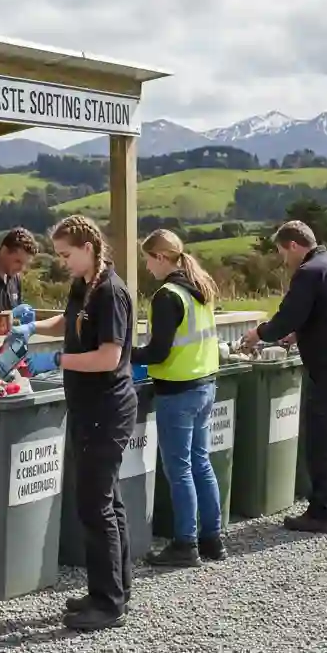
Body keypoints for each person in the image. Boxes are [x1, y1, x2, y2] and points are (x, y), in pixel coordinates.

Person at [14, 215, 137, 631]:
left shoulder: (111, 293)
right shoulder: (84, 286)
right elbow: (69, 322)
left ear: (89, 247)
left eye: (67, 255)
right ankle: (115, 588)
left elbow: (109, 357)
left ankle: (108, 603)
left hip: (107, 410)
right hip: (89, 409)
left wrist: (57, 360)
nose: (63, 262)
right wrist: (31, 327)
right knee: (108, 502)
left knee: (94, 505)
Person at [241, 221, 327, 533]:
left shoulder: (308, 272)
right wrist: (298, 335)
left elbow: (288, 315)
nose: (283, 260)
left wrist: (258, 334)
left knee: (323, 439)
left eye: (281, 252)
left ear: (293, 245)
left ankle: (323, 511)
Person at [131, 230, 226, 568]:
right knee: (201, 462)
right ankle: (212, 539)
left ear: (160, 257)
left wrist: (123, 353)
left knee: (179, 468)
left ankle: (185, 543)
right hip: (205, 385)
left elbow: (158, 352)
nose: (146, 266)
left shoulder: (167, 295)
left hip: (178, 391)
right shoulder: (200, 289)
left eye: (147, 258)